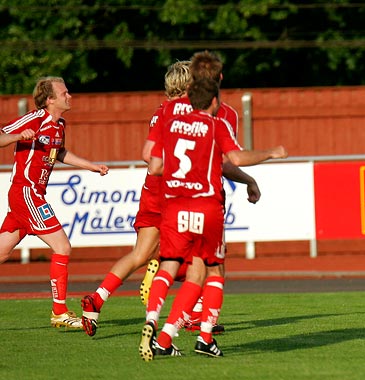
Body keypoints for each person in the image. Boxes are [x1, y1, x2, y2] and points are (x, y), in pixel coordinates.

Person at [80, 61, 260, 337]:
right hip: (182, 193)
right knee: (203, 257)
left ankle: (97, 299)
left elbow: (149, 157)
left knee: (140, 253)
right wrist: (247, 179)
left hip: (153, 190)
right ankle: (193, 318)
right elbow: (219, 160)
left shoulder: (161, 112)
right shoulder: (199, 114)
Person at [138, 77, 287, 360]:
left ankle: (158, 327)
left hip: (174, 206)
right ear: (215, 101)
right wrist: (271, 153)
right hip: (206, 206)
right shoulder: (215, 124)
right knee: (213, 272)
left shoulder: (171, 122)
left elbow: (154, 164)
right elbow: (235, 159)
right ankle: (205, 338)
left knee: (173, 266)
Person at [0, 76, 109, 329]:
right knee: (63, 246)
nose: (69, 96)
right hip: (26, 193)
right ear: (50, 99)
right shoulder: (35, 118)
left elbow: (59, 153)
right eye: (64, 93)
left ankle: (59, 311)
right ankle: (59, 311)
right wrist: (17, 135)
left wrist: (91, 166)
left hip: (33, 194)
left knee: (3, 252)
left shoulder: (59, 125)